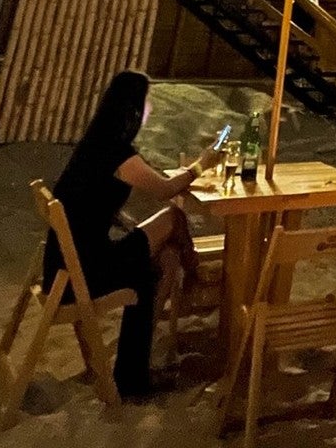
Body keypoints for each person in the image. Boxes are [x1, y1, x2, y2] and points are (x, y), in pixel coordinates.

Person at [42, 70, 219, 398]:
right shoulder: (118, 153)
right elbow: (166, 190)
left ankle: (133, 372)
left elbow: (90, 204)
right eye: (147, 100)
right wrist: (200, 165)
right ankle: (195, 273)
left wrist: (128, 225)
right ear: (133, 109)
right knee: (174, 217)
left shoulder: (96, 143)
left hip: (65, 267)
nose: (150, 107)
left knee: (165, 259)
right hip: (85, 272)